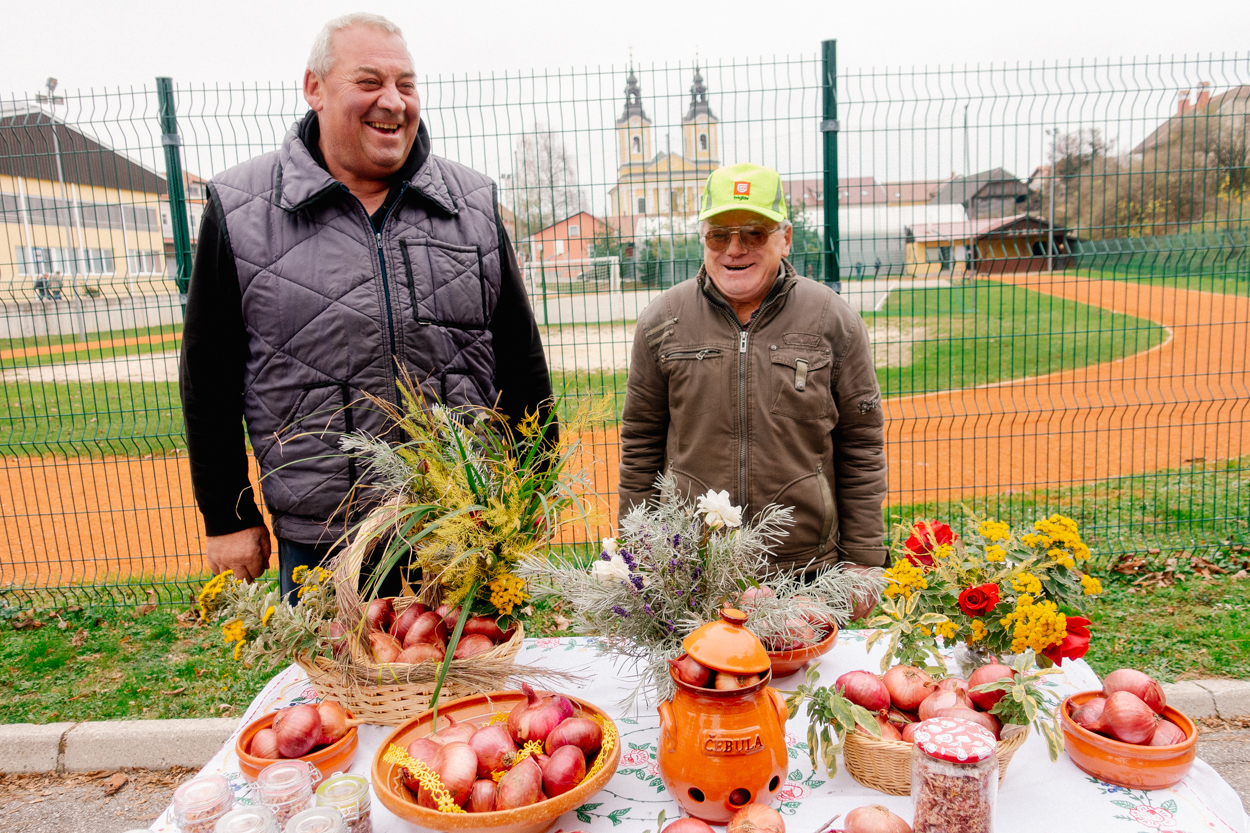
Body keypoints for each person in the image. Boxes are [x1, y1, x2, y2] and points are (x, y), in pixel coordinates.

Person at [179, 14, 553, 596]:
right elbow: (210, 377)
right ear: (314, 88)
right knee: (337, 688)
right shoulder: (240, 209)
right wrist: (228, 516)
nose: (394, 102)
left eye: (406, 84)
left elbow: (520, 362)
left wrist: (536, 488)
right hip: (324, 541)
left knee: (474, 687)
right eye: (369, 81)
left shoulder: (474, 206)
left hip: (462, 533)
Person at [618, 163, 887, 616]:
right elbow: (640, 445)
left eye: (754, 234)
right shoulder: (662, 321)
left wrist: (863, 560)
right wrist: (639, 555)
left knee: (808, 688)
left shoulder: (832, 320)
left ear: (785, 238)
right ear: (702, 239)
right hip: (693, 572)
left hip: (806, 576)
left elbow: (861, 445)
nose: (734, 249)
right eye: (719, 234)